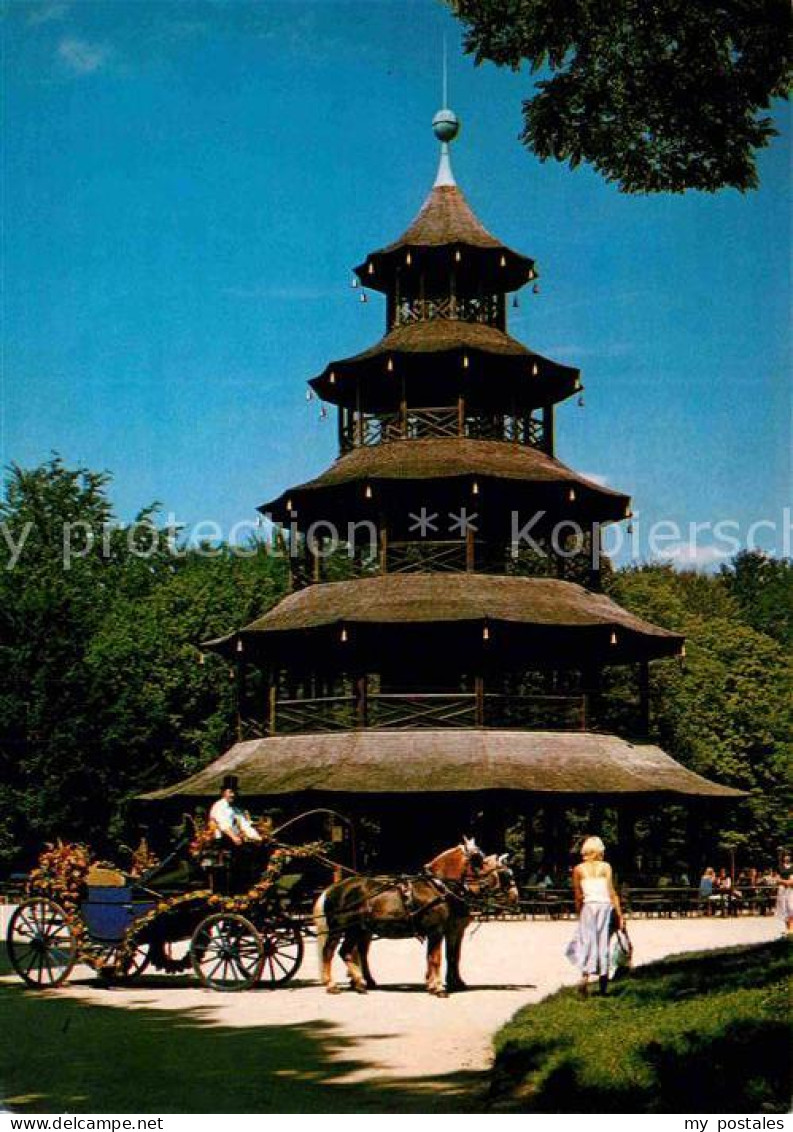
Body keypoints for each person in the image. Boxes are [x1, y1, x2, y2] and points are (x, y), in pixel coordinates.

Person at [566, 835, 623, 997]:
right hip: (604, 906)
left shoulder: (578, 869)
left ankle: (585, 976)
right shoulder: (606, 867)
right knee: (603, 942)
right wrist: (619, 914)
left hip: (588, 907)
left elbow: (578, 895)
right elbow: (611, 892)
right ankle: (603, 985)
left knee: (587, 942)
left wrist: (579, 913)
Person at [208, 776, 262, 846]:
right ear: (223, 793)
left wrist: (256, 837)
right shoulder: (219, 806)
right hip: (221, 841)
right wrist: (233, 837)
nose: (233, 795)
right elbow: (223, 824)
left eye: (234, 792)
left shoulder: (236, 809)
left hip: (235, 840)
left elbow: (244, 824)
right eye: (230, 792)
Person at [774, 851, 793, 934]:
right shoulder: (779, 867)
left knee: (791, 907)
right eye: (785, 856)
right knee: (783, 908)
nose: (787, 857)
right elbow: (776, 880)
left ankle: (792, 928)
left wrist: (782, 881)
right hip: (782, 889)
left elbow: (791, 882)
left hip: (791, 889)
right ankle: (787, 928)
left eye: (788, 855)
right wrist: (785, 881)